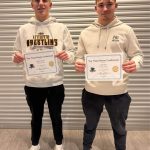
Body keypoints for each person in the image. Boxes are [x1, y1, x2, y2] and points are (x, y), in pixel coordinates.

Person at [75, 0, 143, 150]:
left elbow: (137, 54)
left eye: (109, 4)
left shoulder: (126, 30)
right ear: (95, 8)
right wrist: (79, 63)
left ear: (116, 6)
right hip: (91, 91)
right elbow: (79, 56)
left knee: (119, 128)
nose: (105, 9)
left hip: (118, 93)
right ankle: (87, 147)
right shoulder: (85, 32)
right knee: (90, 126)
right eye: (101, 5)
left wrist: (135, 63)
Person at [12, 0, 75, 150]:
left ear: (50, 4)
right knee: (36, 117)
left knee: (56, 116)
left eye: (45, 0)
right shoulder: (23, 29)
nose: (41, 3)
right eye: (36, 1)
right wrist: (16, 58)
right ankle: (35, 143)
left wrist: (67, 55)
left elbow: (72, 52)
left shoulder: (61, 28)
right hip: (33, 83)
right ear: (32, 5)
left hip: (55, 83)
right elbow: (16, 52)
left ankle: (59, 142)